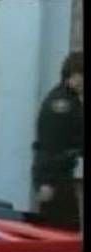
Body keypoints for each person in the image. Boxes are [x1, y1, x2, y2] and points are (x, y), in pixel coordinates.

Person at [31, 51, 84, 230]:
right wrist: (45, 182)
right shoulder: (61, 105)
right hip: (54, 178)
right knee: (62, 230)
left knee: (64, 229)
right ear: (72, 75)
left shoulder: (70, 99)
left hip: (60, 176)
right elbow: (49, 145)